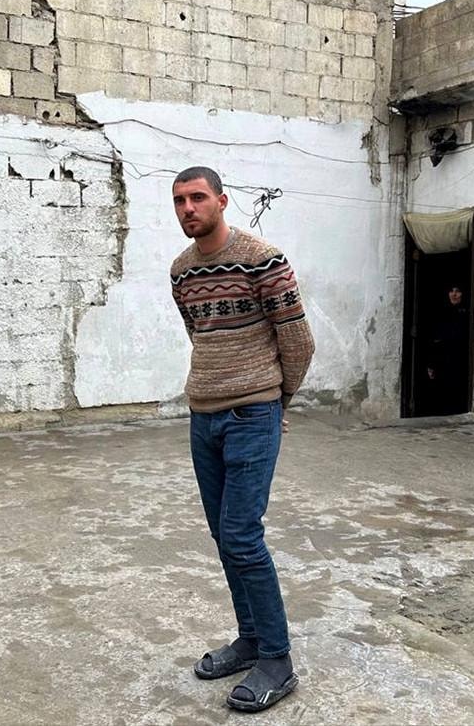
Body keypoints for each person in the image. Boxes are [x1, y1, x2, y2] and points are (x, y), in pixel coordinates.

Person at [169, 166, 315, 713]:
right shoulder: (181, 271)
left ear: (222, 201)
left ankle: (277, 659)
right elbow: (200, 336)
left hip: (252, 414)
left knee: (241, 536)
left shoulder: (263, 260)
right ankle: (250, 639)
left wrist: (278, 403)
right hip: (203, 417)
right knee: (223, 535)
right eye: (179, 200)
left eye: (198, 197)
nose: (188, 208)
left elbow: (298, 341)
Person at [426, 284, 470, 415]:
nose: (454, 294)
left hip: (461, 359)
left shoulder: (468, 313)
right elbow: (433, 339)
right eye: (451, 291)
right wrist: (431, 363)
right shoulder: (440, 313)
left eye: (458, 291)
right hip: (442, 359)